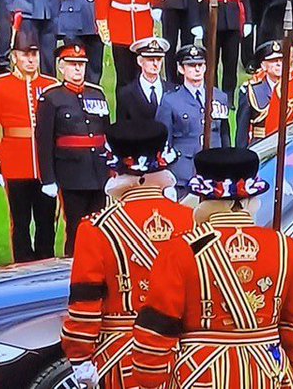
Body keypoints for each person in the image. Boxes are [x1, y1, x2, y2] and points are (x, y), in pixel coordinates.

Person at [131, 146, 293, 388]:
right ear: (251, 199)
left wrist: (151, 380)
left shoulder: (178, 250)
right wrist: (290, 370)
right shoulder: (285, 248)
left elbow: (155, 332)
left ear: (203, 197)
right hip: (267, 375)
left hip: (200, 376)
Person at [61, 119, 194, 389]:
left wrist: (80, 357)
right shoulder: (192, 221)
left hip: (123, 358)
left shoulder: (95, 228)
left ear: (118, 173)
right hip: (184, 357)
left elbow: (85, 307)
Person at [0, 29, 59, 263]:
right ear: (14, 57)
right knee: (21, 222)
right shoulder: (0, 85)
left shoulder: (50, 84)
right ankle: (23, 266)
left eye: (34, 54)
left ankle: (46, 265)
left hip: (45, 164)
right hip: (15, 161)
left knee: (47, 221)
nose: (31, 59)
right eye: (25, 55)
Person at [36, 42, 112, 256]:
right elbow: (44, 141)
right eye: (72, 64)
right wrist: (48, 178)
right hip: (71, 174)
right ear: (61, 67)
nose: (78, 69)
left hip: (98, 171)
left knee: (100, 227)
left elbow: (106, 133)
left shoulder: (96, 94)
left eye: (81, 64)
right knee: (76, 228)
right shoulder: (51, 98)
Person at [155, 45, 230, 199]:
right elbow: (163, 141)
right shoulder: (170, 100)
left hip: (215, 172)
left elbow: (225, 135)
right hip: (185, 174)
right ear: (181, 69)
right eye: (191, 65)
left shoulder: (219, 97)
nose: (197, 69)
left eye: (200, 65)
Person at [115, 37, 173, 123]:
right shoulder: (126, 94)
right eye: (150, 60)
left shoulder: (173, 91)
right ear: (140, 61)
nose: (155, 64)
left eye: (159, 59)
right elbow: (122, 130)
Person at [236, 40, 281, 146]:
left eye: (281, 60)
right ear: (263, 65)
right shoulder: (252, 90)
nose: (279, 64)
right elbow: (242, 130)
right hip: (261, 145)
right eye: (273, 61)